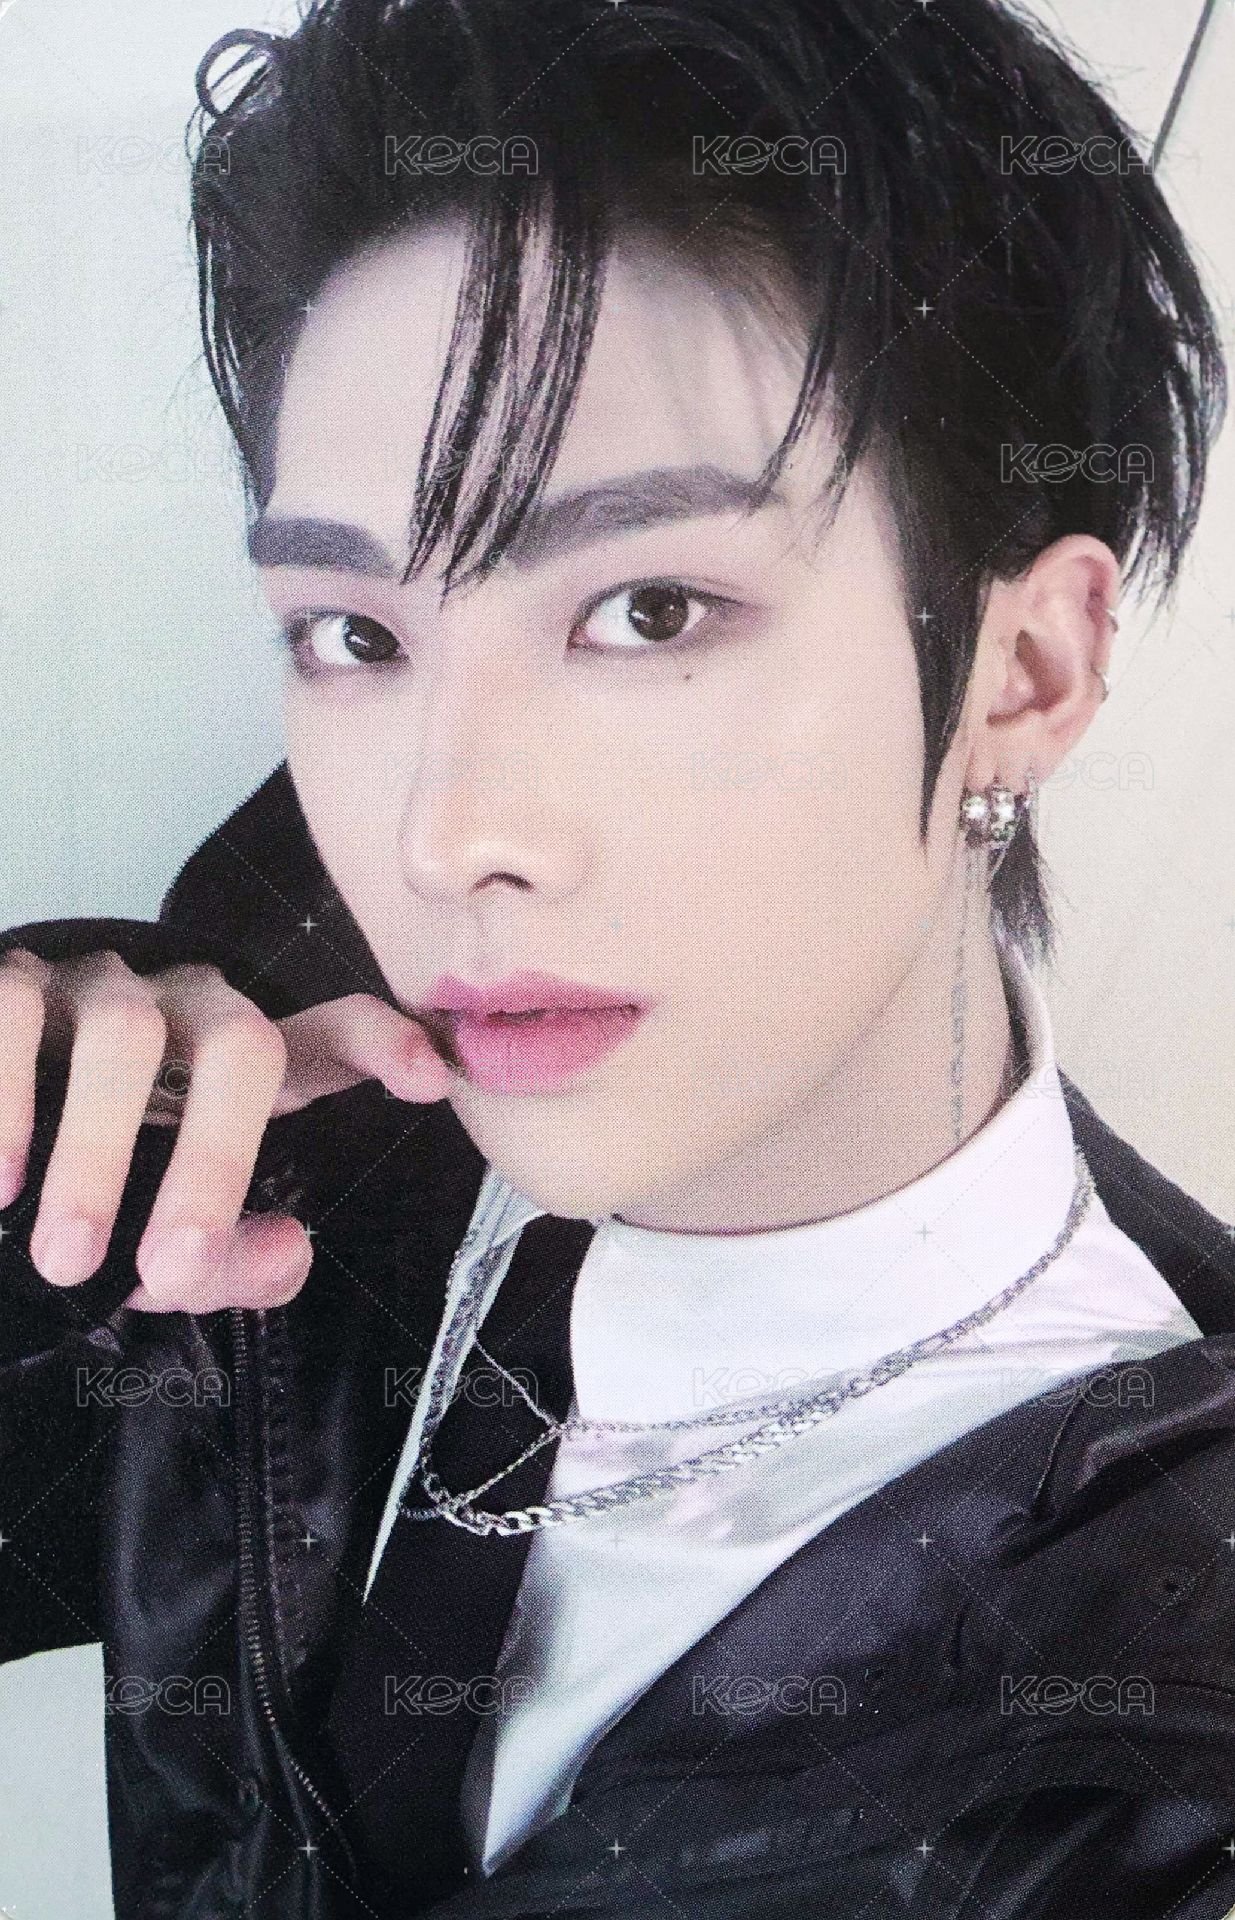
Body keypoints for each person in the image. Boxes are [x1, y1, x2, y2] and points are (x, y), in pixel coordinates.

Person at [1, 0, 1233, 1913]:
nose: (446, 835)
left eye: (650, 609)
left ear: (1024, 668)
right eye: (352, 634)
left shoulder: (1160, 1702)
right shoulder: (280, 1059)